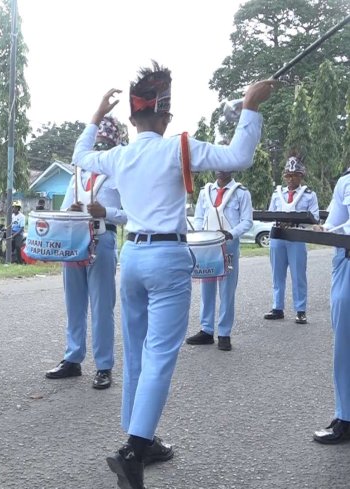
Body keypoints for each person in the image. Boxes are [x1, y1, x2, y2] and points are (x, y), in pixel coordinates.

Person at [72, 63, 273, 489]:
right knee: (160, 355)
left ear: (131, 118)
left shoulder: (119, 155)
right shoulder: (178, 146)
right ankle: (135, 449)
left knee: (140, 354)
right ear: (165, 115)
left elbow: (80, 158)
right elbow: (239, 156)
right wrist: (250, 106)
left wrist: (94, 118)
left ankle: (140, 436)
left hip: (133, 255)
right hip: (167, 257)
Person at [46, 115, 127, 389]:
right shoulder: (77, 173)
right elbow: (66, 207)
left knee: (102, 306)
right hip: (74, 241)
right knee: (74, 303)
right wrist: (68, 210)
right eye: (98, 141)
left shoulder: (120, 173)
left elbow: (133, 215)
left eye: (106, 141)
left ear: (116, 144)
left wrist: (108, 212)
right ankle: (73, 358)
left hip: (103, 239)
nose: (100, 146)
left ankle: (104, 366)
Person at [186, 171, 253, 351]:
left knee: (227, 290)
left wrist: (231, 234)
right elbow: (199, 216)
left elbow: (247, 221)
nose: (220, 169)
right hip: (207, 245)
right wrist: (200, 234)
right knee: (207, 288)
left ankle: (224, 333)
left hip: (228, 245)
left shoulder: (241, 192)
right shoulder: (205, 191)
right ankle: (206, 330)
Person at [312, 168, 350, 444]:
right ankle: (346, 415)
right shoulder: (346, 181)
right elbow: (335, 224)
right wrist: (321, 230)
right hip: (347, 263)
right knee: (345, 343)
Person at [263, 155, 319, 325]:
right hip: (278, 235)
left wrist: (297, 220)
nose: (290, 178)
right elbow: (271, 213)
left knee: (298, 274)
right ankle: (277, 307)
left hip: (297, 236)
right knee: (277, 275)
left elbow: (315, 217)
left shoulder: (309, 195)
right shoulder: (277, 194)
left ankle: (300, 310)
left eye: (294, 175)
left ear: (301, 176)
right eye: (287, 175)